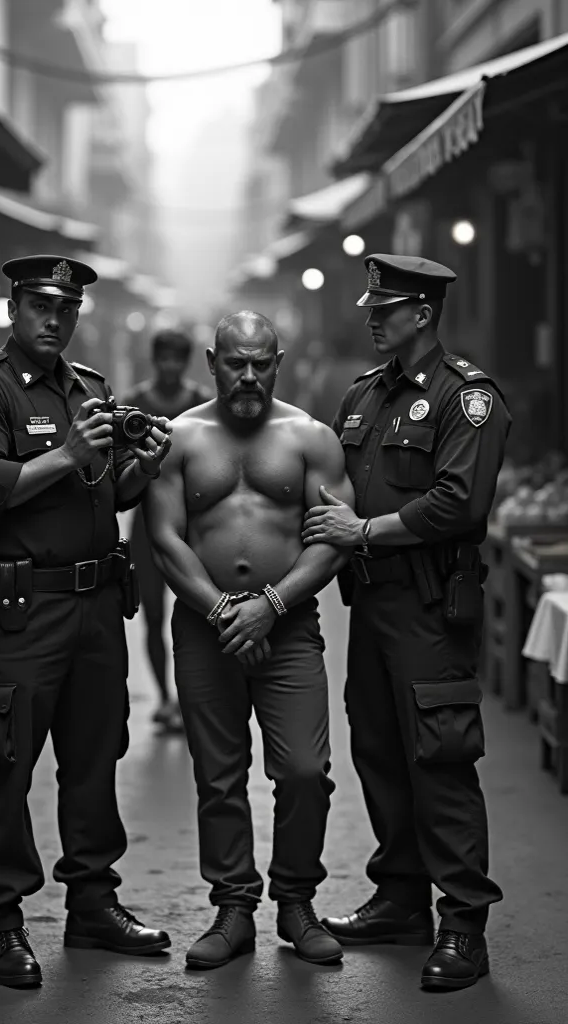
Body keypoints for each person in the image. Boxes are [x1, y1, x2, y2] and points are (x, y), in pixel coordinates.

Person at [0, 255, 173, 989]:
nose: (55, 318)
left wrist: (142, 471)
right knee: (7, 761)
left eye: (66, 309)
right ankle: (2, 923)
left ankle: (93, 903)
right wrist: (66, 454)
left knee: (95, 754)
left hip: (96, 604)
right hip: (20, 610)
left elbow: (104, 491)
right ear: (13, 308)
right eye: (41, 305)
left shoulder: (91, 389)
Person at [301, 254, 511, 991]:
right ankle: (399, 898)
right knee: (380, 749)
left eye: (384, 307)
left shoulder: (466, 399)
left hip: (428, 605)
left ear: (421, 314)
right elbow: (325, 481)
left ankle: (461, 924)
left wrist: (364, 532)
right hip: (372, 605)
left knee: (439, 757)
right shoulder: (363, 396)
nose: (370, 315)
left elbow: (459, 503)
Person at [144, 310, 353, 970]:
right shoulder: (179, 438)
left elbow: (331, 539)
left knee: (302, 773)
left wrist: (268, 605)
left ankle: (294, 902)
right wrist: (223, 614)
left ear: (278, 362)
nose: (248, 375)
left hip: (286, 627)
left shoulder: (310, 437)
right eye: (235, 361)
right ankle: (233, 908)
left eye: (261, 362)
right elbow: (164, 537)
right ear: (211, 361)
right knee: (218, 776)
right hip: (206, 631)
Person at [123, 330, 211, 731]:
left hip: (193, 524)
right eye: (165, 359)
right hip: (146, 522)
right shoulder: (135, 405)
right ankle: (163, 697)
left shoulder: (201, 403)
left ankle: (193, 697)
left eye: (178, 359)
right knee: (153, 614)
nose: (171, 367)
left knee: (197, 610)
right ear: (155, 360)